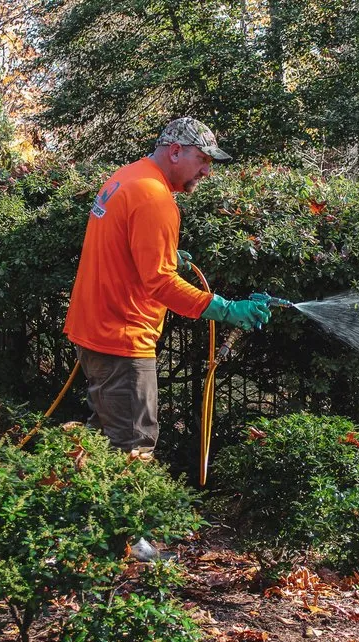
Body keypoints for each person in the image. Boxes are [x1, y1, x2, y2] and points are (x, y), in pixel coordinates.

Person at [63, 117, 271, 456]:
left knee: (97, 446)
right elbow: (160, 284)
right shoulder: (154, 198)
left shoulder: (126, 178)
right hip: (123, 341)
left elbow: (119, 247)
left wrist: (163, 253)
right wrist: (226, 309)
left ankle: (67, 503)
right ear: (175, 151)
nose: (207, 172)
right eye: (202, 160)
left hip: (96, 331)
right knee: (132, 450)